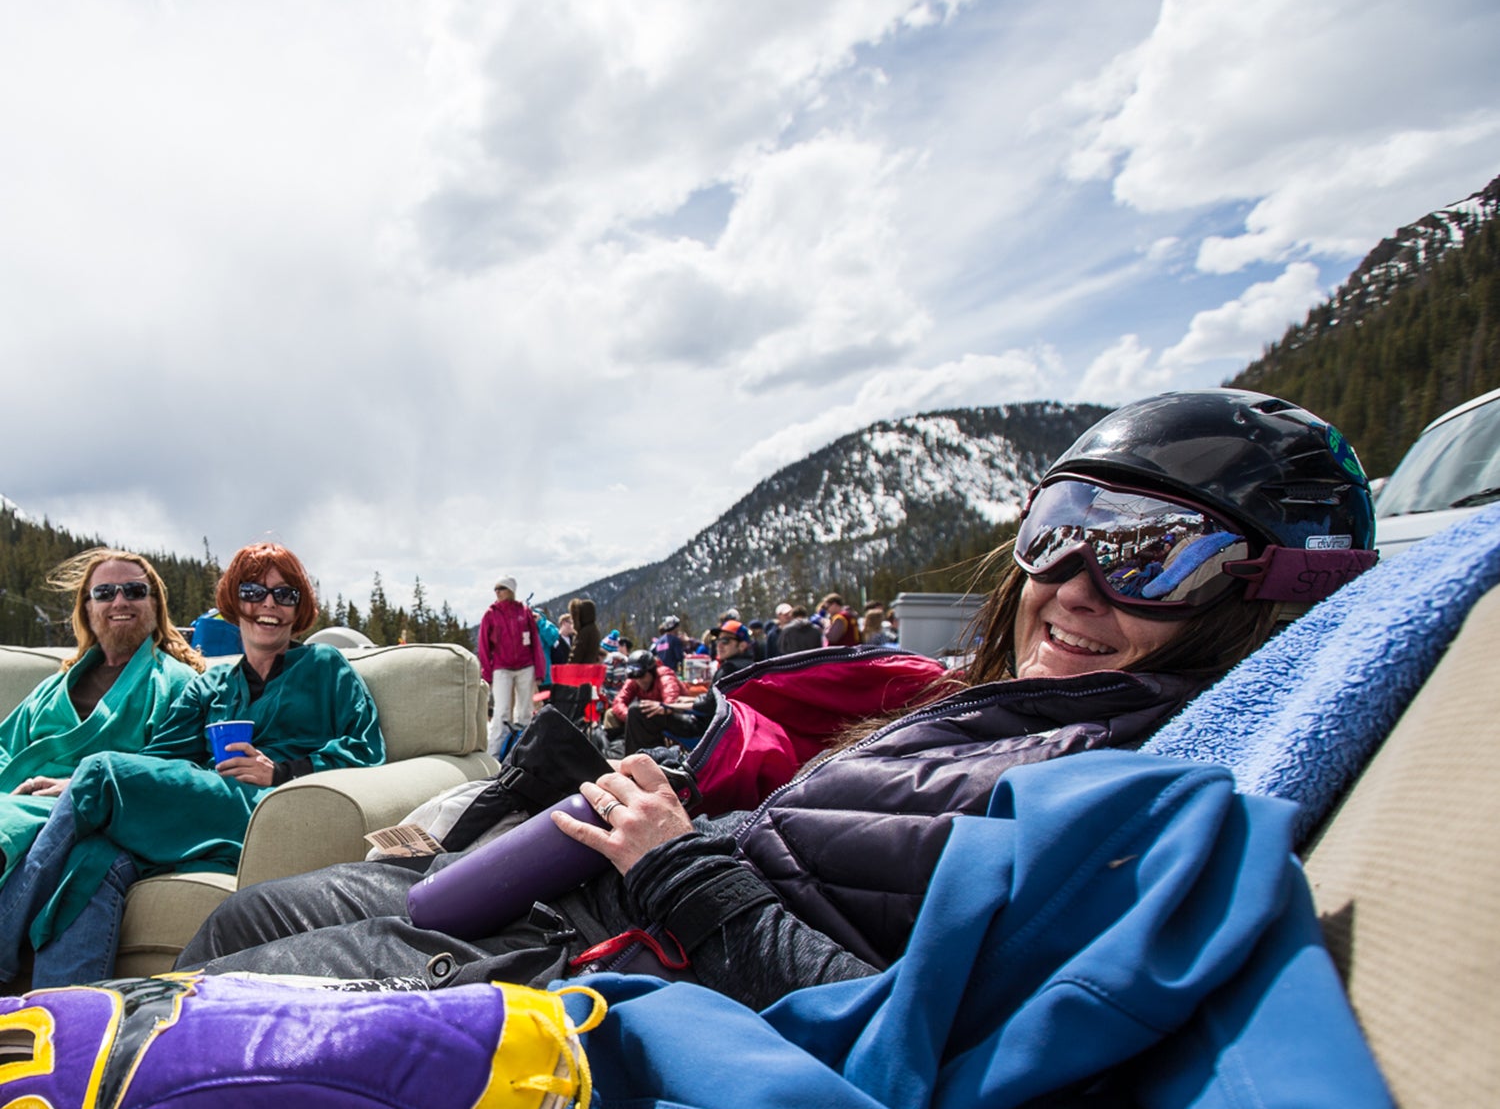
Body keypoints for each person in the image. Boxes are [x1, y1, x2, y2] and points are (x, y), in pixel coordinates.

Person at [180, 390, 1376, 1010]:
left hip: (628, 960)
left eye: (1145, 555)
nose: (1068, 588)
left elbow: (888, 1027)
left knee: (220, 976)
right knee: (239, 924)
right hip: (600, 883)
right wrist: (668, 804)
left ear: (1259, 598)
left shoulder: (1122, 795)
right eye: (1058, 533)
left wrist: (676, 864)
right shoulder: (1001, 709)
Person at [0, 542, 385, 988]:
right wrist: (80, 786)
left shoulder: (325, 665)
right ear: (233, 604)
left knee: (102, 770)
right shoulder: (212, 685)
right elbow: (157, 759)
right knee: (92, 859)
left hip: (271, 809)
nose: (269, 605)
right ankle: (67, 1023)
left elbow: (366, 749)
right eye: (254, 592)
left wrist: (281, 770)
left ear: (299, 610)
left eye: (285, 596)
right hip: (203, 813)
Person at [0, 549, 204, 889]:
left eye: (135, 591)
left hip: (93, 810)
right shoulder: (53, 687)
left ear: (155, 605)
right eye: (105, 593)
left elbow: (175, 771)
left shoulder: (176, 683)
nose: (120, 601)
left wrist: (84, 786)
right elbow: (5, 745)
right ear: (87, 608)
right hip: (18, 798)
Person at [477, 578, 546, 756]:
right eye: (496, 589)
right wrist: (487, 672)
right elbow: (483, 645)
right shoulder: (491, 614)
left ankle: (524, 752)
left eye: (502, 588)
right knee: (501, 712)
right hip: (501, 667)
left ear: (511, 590)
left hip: (525, 666)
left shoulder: (523, 611)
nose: (498, 592)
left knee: (525, 712)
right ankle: (494, 756)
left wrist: (539, 670)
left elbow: (535, 642)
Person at [609, 648, 688, 754]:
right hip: (652, 715)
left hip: (676, 716)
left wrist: (637, 718)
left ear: (651, 671)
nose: (639, 681)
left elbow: (670, 703)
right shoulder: (635, 680)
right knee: (610, 714)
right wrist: (630, 716)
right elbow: (618, 701)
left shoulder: (665, 677)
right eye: (636, 677)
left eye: (642, 676)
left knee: (636, 712)